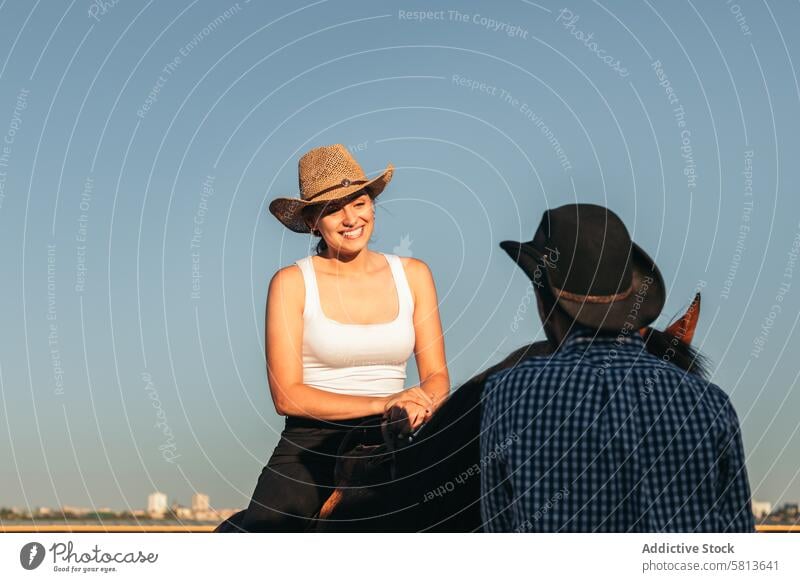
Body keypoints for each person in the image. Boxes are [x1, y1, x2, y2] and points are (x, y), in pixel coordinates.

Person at [480, 203, 754, 532]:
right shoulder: (711, 404)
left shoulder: (508, 393)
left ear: (544, 301)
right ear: (631, 301)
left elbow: (498, 529)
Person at [240, 144, 450, 532]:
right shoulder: (291, 283)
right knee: (265, 536)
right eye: (333, 209)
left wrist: (419, 404)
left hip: (400, 432)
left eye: (358, 202)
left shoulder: (415, 275)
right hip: (313, 444)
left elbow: (437, 375)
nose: (350, 218)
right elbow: (287, 396)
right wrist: (385, 401)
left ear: (372, 205)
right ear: (312, 223)